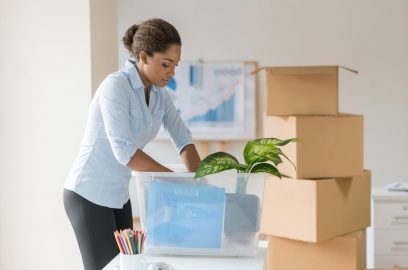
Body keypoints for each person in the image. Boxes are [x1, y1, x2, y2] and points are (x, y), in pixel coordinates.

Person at [63, 18, 201, 270]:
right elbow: (125, 151)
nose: (171, 73)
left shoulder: (160, 95)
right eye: (166, 64)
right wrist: (178, 183)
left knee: (130, 266)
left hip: (119, 195)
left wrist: (200, 183)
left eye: (175, 66)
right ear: (144, 56)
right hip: (87, 193)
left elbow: (183, 140)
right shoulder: (115, 87)